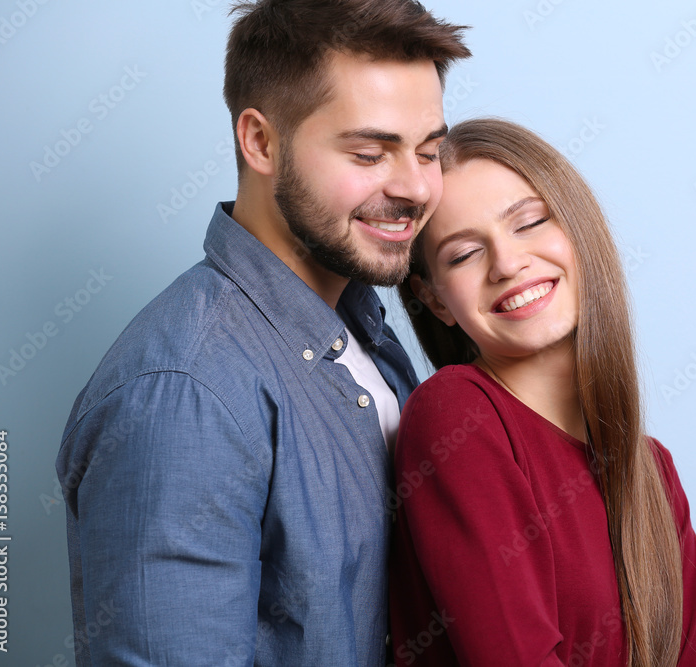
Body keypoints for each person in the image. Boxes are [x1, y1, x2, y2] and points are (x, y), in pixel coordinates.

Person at [55, 1, 469, 664]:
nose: (417, 188)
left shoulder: (363, 327)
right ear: (261, 142)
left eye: (428, 152)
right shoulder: (185, 394)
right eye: (370, 153)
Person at [389, 118, 696, 667]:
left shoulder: (653, 473)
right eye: (464, 254)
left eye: (530, 222)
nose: (508, 263)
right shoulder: (456, 417)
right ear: (436, 299)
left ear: (577, 229)